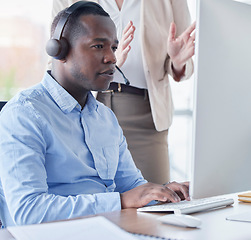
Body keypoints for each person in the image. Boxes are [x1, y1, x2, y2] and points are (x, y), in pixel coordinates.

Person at [0, 2, 190, 227]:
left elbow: (132, 186)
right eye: (99, 46)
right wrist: (119, 201)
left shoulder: (105, 118)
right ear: (59, 50)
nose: (112, 58)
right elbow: (28, 211)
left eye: (114, 48)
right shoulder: (24, 115)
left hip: (105, 229)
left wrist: (163, 193)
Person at [51, 0, 195, 184]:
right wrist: (108, 63)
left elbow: (185, 55)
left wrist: (178, 61)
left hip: (145, 113)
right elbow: (57, 58)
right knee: (94, 197)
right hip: (86, 109)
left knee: (157, 201)